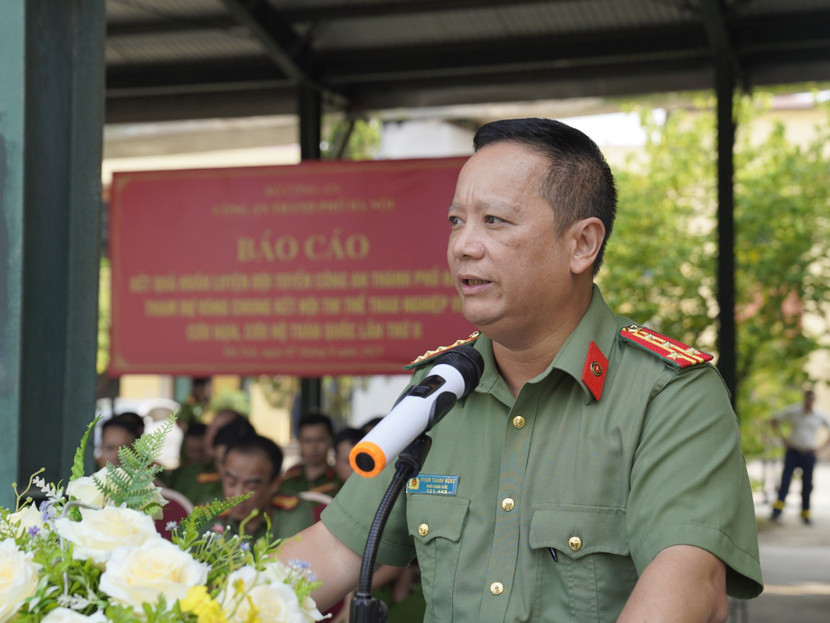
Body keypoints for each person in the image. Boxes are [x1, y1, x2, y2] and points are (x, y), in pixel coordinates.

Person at [280, 118, 763, 621]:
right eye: (456, 221)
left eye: (494, 220)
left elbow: (689, 582)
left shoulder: (669, 395)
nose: (462, 245)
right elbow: (336, 550)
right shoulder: (439, 390)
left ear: (582, 244)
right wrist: (231, 601)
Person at [214, 434, 315, 542]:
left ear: (274, 484)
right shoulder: (210, 514)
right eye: (231, 483)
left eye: (250, 486)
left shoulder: (293, 513)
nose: (238, 495)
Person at [770, 388, 830, 525]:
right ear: (804, 399)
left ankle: (806, 512)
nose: (809, 402)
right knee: (786, 481)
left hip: (809, 453)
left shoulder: (820, 415)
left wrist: (822, 448)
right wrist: (783, 438)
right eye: (808, 399)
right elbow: (774, 420)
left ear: (815, 400)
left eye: (812, 399)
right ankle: (778, 510)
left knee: (807, 484)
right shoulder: (794, 411)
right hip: (793, 451)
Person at [280, 413, 341, 497]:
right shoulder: (288, 479)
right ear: (299, 443)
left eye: (320, 440)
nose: (313, 447)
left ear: (331, 440)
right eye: (307, 441)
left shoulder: (340, 479)